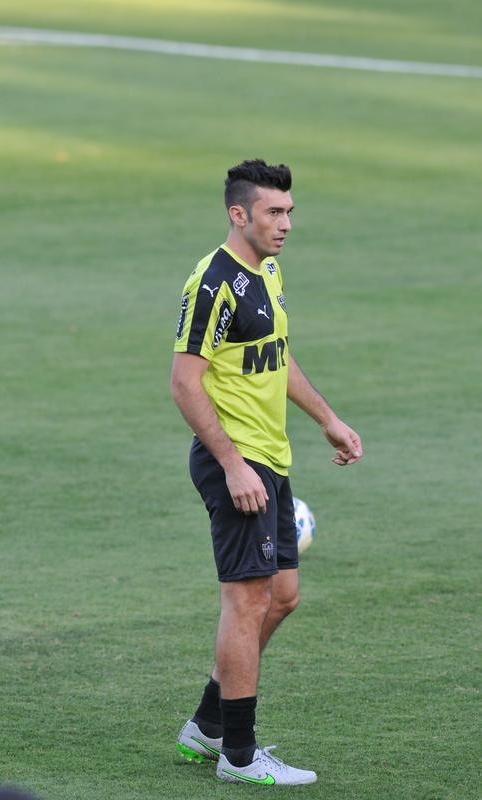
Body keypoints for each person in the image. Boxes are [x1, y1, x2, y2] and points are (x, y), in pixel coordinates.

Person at [171, 158, 362, 786]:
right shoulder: (214, 284)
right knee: (246, 600)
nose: (285, 224)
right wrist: (231, 465)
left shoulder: (268, 272)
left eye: (289, 212)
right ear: (239, 213)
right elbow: (184, 382)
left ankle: (208, 724)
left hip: (271, 456)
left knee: (281, 597)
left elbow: (277, 356)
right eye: (274, 212)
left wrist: (327, 418)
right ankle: (241, 756)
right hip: (236, 460)